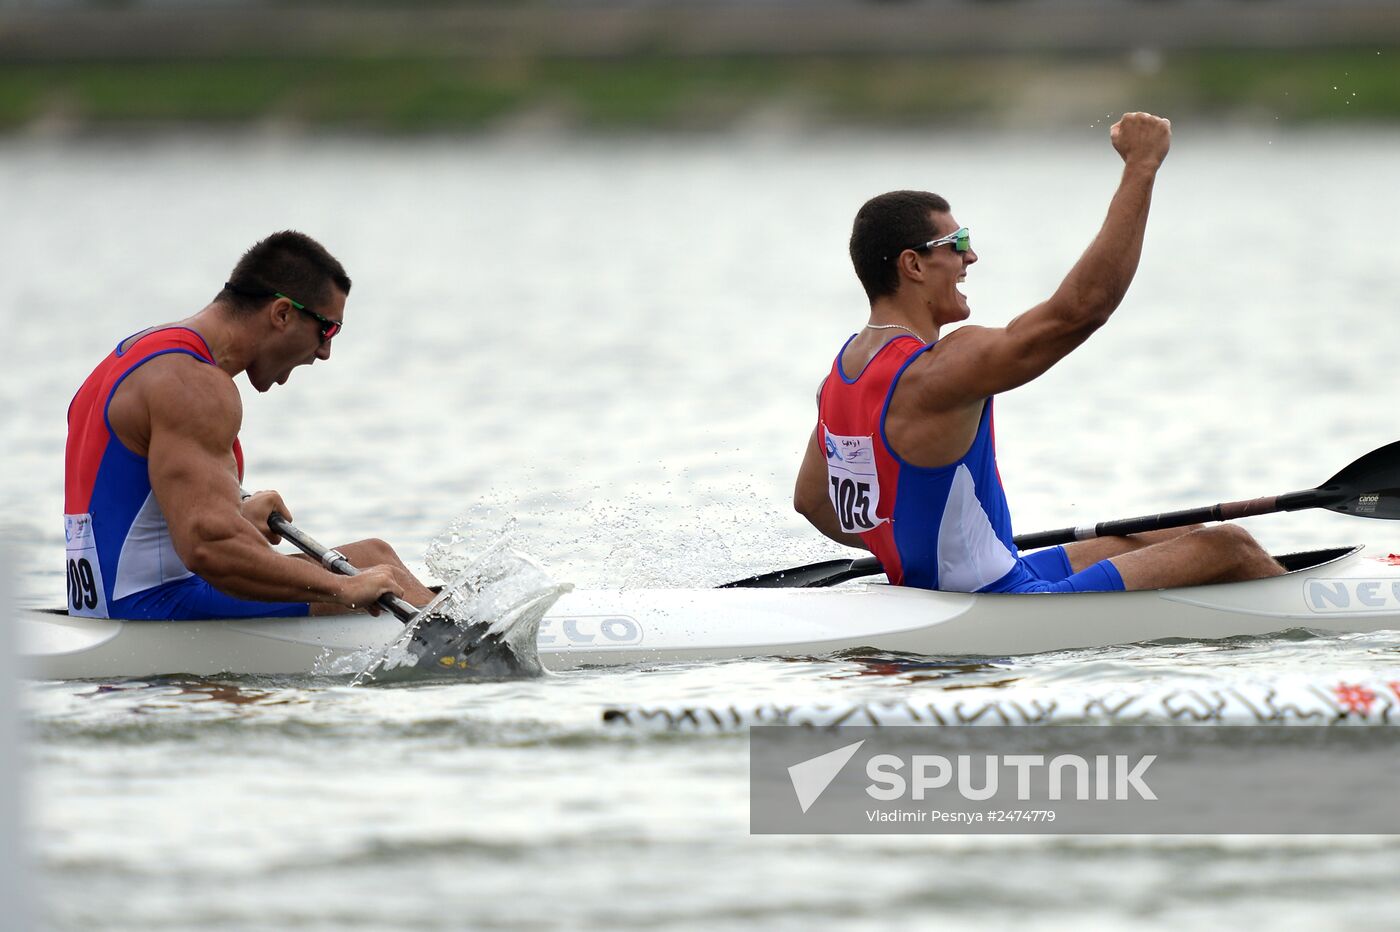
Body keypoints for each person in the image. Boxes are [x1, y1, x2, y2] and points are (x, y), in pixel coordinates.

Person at [793, 113, 1285, 594]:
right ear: (913, 265)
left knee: (1160, 537)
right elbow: (1080, 311)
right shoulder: (939, 369)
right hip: (1002, 595)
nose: (971, 257)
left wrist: (910, 549)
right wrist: (1141, 167)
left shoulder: (840, 377)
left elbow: (813, 502)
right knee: (1231, 544)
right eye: (957, 242)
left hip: (940, 584)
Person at [64, 231, 435, 619]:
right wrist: (343, 588)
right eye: (327, 329)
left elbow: (141, 516)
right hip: (150, 608)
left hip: (104, 604)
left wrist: (234, 514)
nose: (325, 352)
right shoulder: (193, 385)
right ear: (282, 314)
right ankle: (471, 653)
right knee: (376, 564)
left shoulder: (134, 355)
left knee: (374, 557)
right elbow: (209, 549)